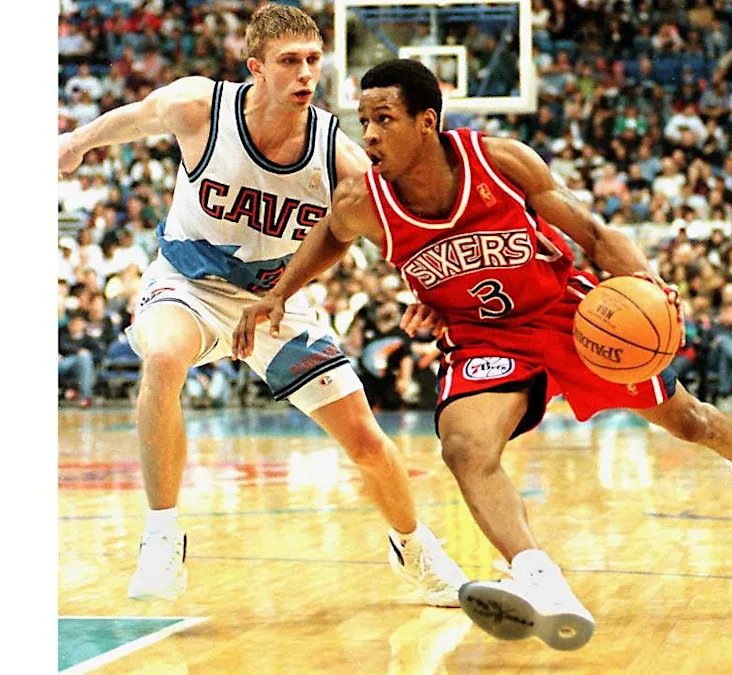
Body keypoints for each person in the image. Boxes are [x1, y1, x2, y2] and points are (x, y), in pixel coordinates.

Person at [232, 59, 732, 651]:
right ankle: (539, 578)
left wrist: (648, 282)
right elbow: (331, 234)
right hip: (481, 337)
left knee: (689, 422)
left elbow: (592, 234)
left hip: (568, 316)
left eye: (385, 119)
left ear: (427, 121)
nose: (370, 135)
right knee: (465, 449)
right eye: (364, 122)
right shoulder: (364, 199)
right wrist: (280, 292)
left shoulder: (500, 162)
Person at [57, 6, 465, 606]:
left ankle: (416, 549)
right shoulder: (200, 107)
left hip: (275, 303)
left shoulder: (337, 155)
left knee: (365, 440)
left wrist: (432, 293)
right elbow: (137, 116)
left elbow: (397, 233)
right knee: (163, 357)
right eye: (289, 61)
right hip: (188, 286)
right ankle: (162, 535)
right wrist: (74, 143)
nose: (306, 74)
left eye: (313, 60)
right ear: (256, 68)